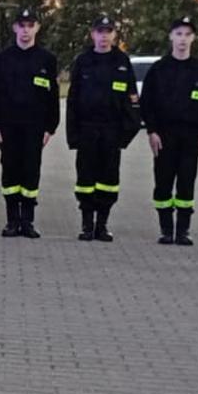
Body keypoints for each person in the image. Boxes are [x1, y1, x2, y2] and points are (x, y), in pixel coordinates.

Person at [139, 16, 198, 246]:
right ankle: (165, 229)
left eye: (187, 35)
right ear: (171, 36)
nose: (183, 39)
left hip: (191, 136)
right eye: (179, 34)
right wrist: (152, 131)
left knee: (186, 183)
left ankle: (183, 230)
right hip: (164, 135)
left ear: (193, 38)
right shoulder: (159, 69)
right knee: (163, 182)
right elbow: (147, 104)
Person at [65, 15, 139, 242]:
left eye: (108, 32)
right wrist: (73, 135)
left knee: (108, 180)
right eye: (100, 32)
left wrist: (125, 135)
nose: (104, 36)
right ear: (92, 34)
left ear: (114, 35)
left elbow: (132, 100)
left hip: (111, 132)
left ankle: (102, 225)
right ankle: (87, 225)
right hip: (87, 130)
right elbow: (72, 100)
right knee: (85, 180)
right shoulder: (83, 61)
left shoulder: (122, 62)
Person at [0, 8, 59, 239]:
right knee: (10, 173)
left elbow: (53, 97)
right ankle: (12, 221)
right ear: (14, 28)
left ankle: (27, 221)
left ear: (37, 28)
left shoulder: (47, 60)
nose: (26, 31)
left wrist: (50, 127)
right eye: (22, 26)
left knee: (30, 173)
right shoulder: (3, 59)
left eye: (30, 26)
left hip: (35, 127)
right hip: (8, 127)